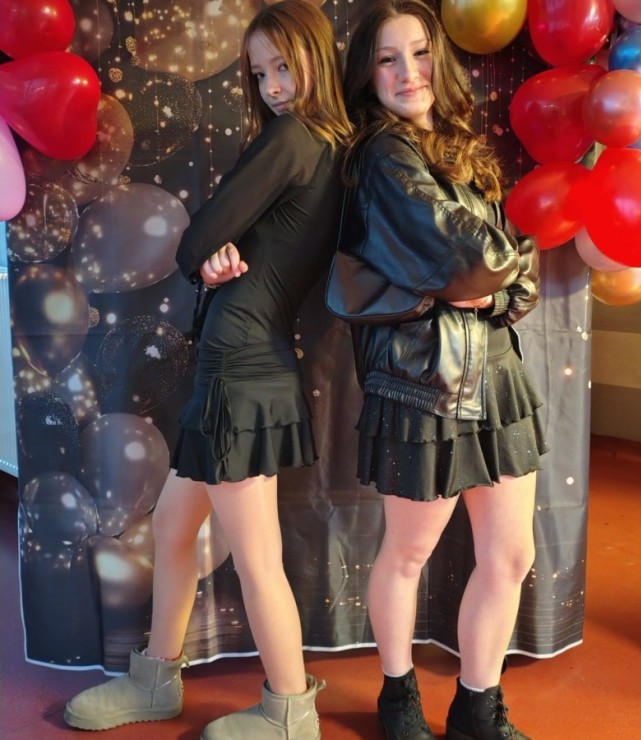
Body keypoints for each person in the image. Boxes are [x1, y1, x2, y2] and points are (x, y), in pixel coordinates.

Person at [63, 2, 352, 738]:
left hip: (241, 367)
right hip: (241, 360)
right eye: (260, 73)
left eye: (284, 66)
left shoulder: (295, 136)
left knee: (256, 557)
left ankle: (290, 711)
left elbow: (195, 240)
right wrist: (220, 256)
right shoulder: (326, 146)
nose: (274, 86)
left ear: (316, 57)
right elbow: (237, 248)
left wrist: (207, 254)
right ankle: (156, 679)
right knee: (171, 527)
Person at [333, 1, 548, 738]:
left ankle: (477, 708)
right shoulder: (382, 156)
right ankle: (398, 699)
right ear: (367, 74)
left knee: (510, 554)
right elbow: (478, 257)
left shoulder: (460, 148)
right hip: (423, 382)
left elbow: (517, 273)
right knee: (408, 553)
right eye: (388, 58)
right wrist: (495, 271)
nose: (408, 72)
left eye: (420, 52)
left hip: (495, 375)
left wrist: (497, 281)